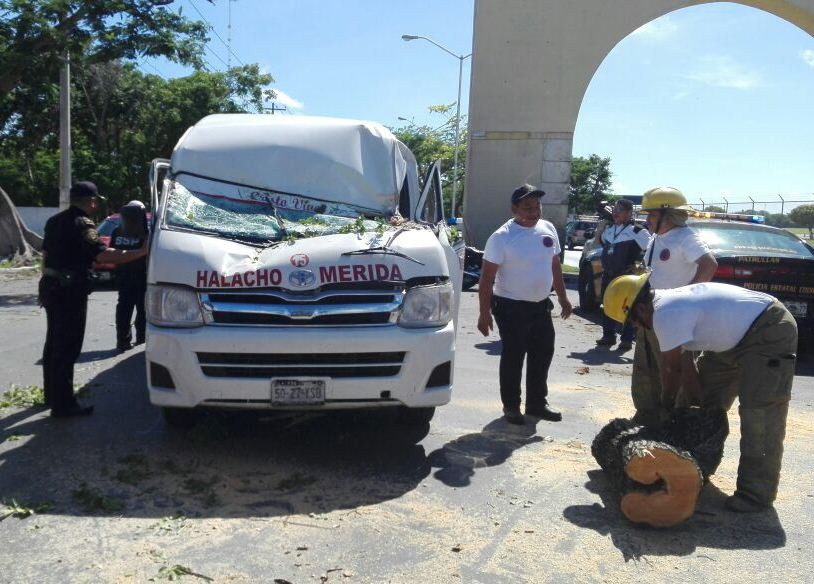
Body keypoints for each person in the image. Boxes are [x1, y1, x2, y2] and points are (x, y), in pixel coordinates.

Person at [603, 273, 796, 512]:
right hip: (731, 341)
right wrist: (687, 407)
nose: (636, 327)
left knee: (760, 413)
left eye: (634, 321)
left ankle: (756, 492)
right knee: (704, 403)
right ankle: (691, 466)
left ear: (641, 308)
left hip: (768, 330)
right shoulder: (666, 310)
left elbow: (671, 370)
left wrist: (666, 407)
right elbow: (685, 368)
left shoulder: (665, 314)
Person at [39, 182, 149, 417]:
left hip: (51, 286)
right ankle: (64, 405)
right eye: (95, 200)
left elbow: (46, 255)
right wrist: (141, 252)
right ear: (91, 201)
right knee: (68, 346)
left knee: (53, 342)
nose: (96, 204)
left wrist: (45, 285)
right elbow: (103, 254)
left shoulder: (54, 221)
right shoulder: (82, 224)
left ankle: (52, 394)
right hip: (70, 290)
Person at [477, 184, 573, 425]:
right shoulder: (502, 237)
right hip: (510, 306)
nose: (534, 212)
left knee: (542, 354)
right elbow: (487, 277)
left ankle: (537, 404)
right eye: (527, 207)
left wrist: (562, 297)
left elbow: (555, 266)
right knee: (514, 356)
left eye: (537, 206)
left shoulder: (548, 229)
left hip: (540, 305)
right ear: (514, 209)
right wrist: (483, 312)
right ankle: (511, 406)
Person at [631, 187, 717, 426]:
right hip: (651, 313)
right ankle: (648, 415)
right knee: (646, 367)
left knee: (677, 369)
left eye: (651, 215)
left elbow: (709, 264)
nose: (647, 220)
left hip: (674, 317)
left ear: (666, 215)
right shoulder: (657, 238)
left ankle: (680, 418)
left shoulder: (686, 237)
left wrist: (686, 297)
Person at [595, 199, 651, 351]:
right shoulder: (610, 229)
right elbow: (600, 242)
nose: (615, 213)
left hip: (626, 276)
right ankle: (608, 336)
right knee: (607, 304)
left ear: (629, 213)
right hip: (609, 274)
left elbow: (651, 250)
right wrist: (599, 229)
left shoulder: (638, 231)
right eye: (614, 210)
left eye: (619, 210)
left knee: (627, 306)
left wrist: (640, 265)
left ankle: (626, 339)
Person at [112, 200, 149, 352]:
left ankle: (123, 341)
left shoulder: (116, 232)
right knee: (143, 309)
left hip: (124, 276)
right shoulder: (147, 234)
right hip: (143, 277)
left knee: (124, 309)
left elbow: (114, 253)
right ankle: (141, 338)